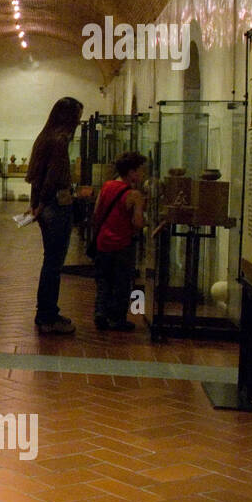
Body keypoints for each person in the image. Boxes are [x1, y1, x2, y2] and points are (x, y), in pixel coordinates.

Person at [25, 96, 84, 334]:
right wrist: (40, 203)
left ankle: (47, 312)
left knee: (50, 261)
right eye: (77, 117)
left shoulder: (45, 137)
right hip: (56, 205)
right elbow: (51, 178)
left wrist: (35, 204)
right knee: (53, 263)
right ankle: (47, 315)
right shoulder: (60, 141)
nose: (78, 122)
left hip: (46, 206)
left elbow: (37, 177)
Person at [93, 151, 147, 330]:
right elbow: (137, 222)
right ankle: (117, 319)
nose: (142, 174)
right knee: (122, 283)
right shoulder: (134, 195)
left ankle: (100, 312)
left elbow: (96, 212)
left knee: (104, 280)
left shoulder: (107, 186)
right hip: (123, 243)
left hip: (103, 241)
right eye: (140, 170)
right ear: (131, 172)